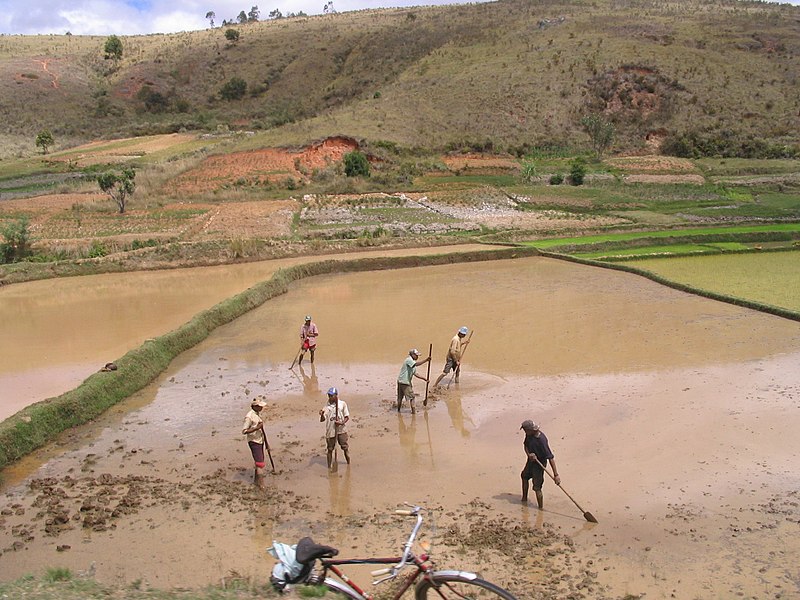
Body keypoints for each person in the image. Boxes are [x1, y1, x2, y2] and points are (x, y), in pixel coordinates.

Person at [520, 419, 560, 508]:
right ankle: (524, 499)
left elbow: (550, 458)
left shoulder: (541, 440)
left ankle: (540, 508)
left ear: (531, 430)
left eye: (525, 430)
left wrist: (556, 475)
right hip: (531, 461)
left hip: (539, 464)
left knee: (537, 487)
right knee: (524, 476)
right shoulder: (528, 435)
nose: (525, 432)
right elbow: (525, 446)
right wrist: (529, 455)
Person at [319, 387, 350, 468]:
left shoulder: (342, 404)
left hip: (341, 430)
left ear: (336, 395)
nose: (330, 397)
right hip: (331, 431)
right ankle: (329, 467)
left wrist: (341, 422)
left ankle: (349, 464)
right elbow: (322, 420)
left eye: (331, 395)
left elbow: (347, 417)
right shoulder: (326, 407)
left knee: (345, 448)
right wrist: (322, 414)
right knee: (330, 449)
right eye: (329, 395)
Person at [396, 348, 431, 414]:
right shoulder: (409, 360)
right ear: (412, 355)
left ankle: (398, 411)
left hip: (400, 381)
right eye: (416, 355)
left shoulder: (412, 363)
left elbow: (415, 374)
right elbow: (416, 364)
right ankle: (413, 412)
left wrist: (425, 379)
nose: (417, 357)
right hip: (405, 382)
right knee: (412, 397)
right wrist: (426, 360)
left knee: (400, 397)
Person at [242, 397, 268, 481]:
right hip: (254, 441)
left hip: (259, 440)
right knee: (260, 464)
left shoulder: (256, 414)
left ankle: (256, 481)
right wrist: (257, 428)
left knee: (259, 462)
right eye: (260, 406)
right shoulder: (249, 417)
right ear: (255, 406)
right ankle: (261, 484)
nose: (262, 408)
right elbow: (244, 431)